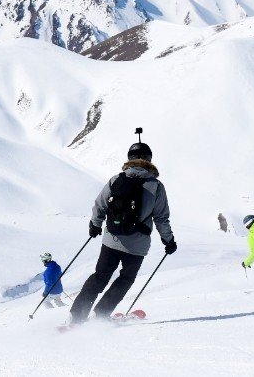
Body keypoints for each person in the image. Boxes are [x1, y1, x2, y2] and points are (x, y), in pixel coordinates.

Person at [68, 139, 176, 324]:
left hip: (111, 238)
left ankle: (76, 316)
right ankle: (101, 314)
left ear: (129, 159)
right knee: (125, 279)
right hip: (137, 246)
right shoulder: (156, 186)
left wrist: (95, 225)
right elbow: (161, 218)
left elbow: (100, 205)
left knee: (99, 277)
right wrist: (169, 241)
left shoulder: (116, 179)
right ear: (149, 159)